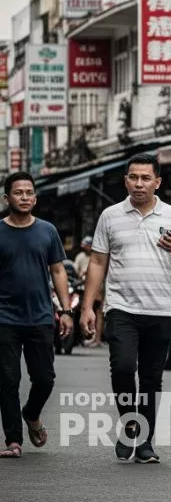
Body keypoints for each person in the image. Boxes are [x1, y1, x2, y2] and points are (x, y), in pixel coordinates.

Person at [81, 154, 171, 463]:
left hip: (160, 309)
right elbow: (98, 261)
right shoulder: (110, 215)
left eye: (146, 178)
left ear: (157, 182)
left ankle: (145, 442)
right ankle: (130, 421)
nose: (139, 183)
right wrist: (87, 307)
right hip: (121, 307)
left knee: (151, 379)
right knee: (122, 367)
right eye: (134, 177)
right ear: (126, 180)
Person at [0, 172, 72, 459]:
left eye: (29, 192)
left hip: (41, 316)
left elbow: (58, 270)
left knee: (44, 378)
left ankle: (32, 413)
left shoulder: (47, 231)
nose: (25, 197)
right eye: (19, 193)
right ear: (7, 198)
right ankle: (13, 440)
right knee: (7, 380)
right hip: (4, 318)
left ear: (35, 198)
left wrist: (66, 311)